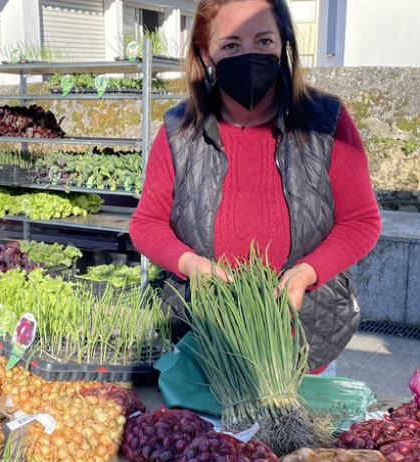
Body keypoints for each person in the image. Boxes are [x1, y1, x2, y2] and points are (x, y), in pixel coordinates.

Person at [129, 0, 382, 372]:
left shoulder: (326, 121)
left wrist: (308, 272)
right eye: (231, 45)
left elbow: (361, 221)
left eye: (264, 41)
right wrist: (191, 265)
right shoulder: (179, 130)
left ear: (284, 43)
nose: (249, 55)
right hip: (206, 339)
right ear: (205, 51)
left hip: (303, 341)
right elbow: (146, 223)